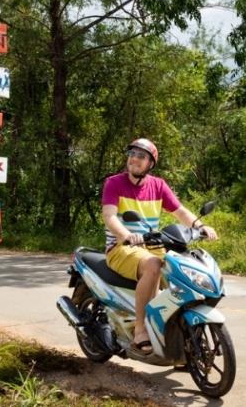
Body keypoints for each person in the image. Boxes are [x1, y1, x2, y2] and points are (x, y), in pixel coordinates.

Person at [102, 138, 218, 355]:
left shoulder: (158, 185)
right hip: (121, 246)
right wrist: (127, 235)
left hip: (151, 246)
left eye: (141, 156)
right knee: (154, 265)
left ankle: (181, 334)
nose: (134, 159)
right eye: (132, 154)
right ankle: (141, 329)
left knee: (184, 270)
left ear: (150, 163)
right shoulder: (114, 183)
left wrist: (200, 226)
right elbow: (109, 217)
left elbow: (180, 211)